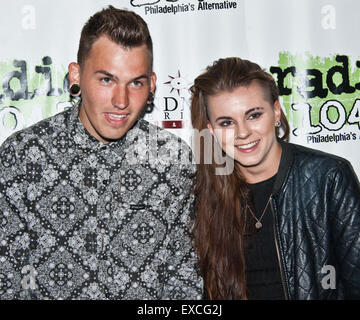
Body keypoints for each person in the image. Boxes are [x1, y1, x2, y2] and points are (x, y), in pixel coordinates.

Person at [0, 6, 202, 300]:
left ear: (152, 85)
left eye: (136, 82)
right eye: (106, 79)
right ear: (76, 75)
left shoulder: (173, 159)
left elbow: (185, 281)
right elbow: (6, 278)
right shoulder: (22, 155)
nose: (121, 101)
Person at [190, 57, 360, 300]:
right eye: (227, 122)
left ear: (276, 111)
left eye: (253, 115)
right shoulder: (206, 194)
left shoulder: (328, 178)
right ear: (211, 130)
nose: (243, 133)